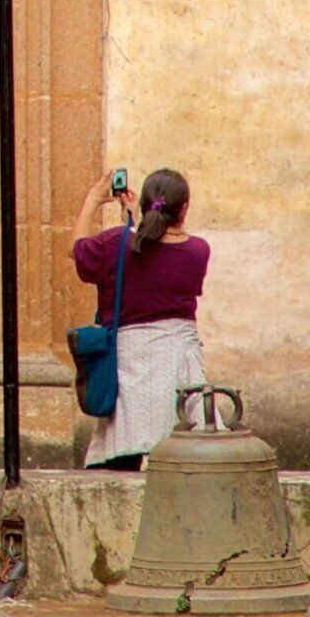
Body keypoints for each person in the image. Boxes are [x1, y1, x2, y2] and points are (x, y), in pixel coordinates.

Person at [70, 165, 207, 471]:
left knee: (120, 452)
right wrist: (134, 224)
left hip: (128, 363)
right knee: (187, 452)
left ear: (145, 204)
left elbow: (76, 250)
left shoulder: (115, 244)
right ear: (184, 208)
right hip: (178, 363)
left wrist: (93, 200)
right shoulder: (198, 251)